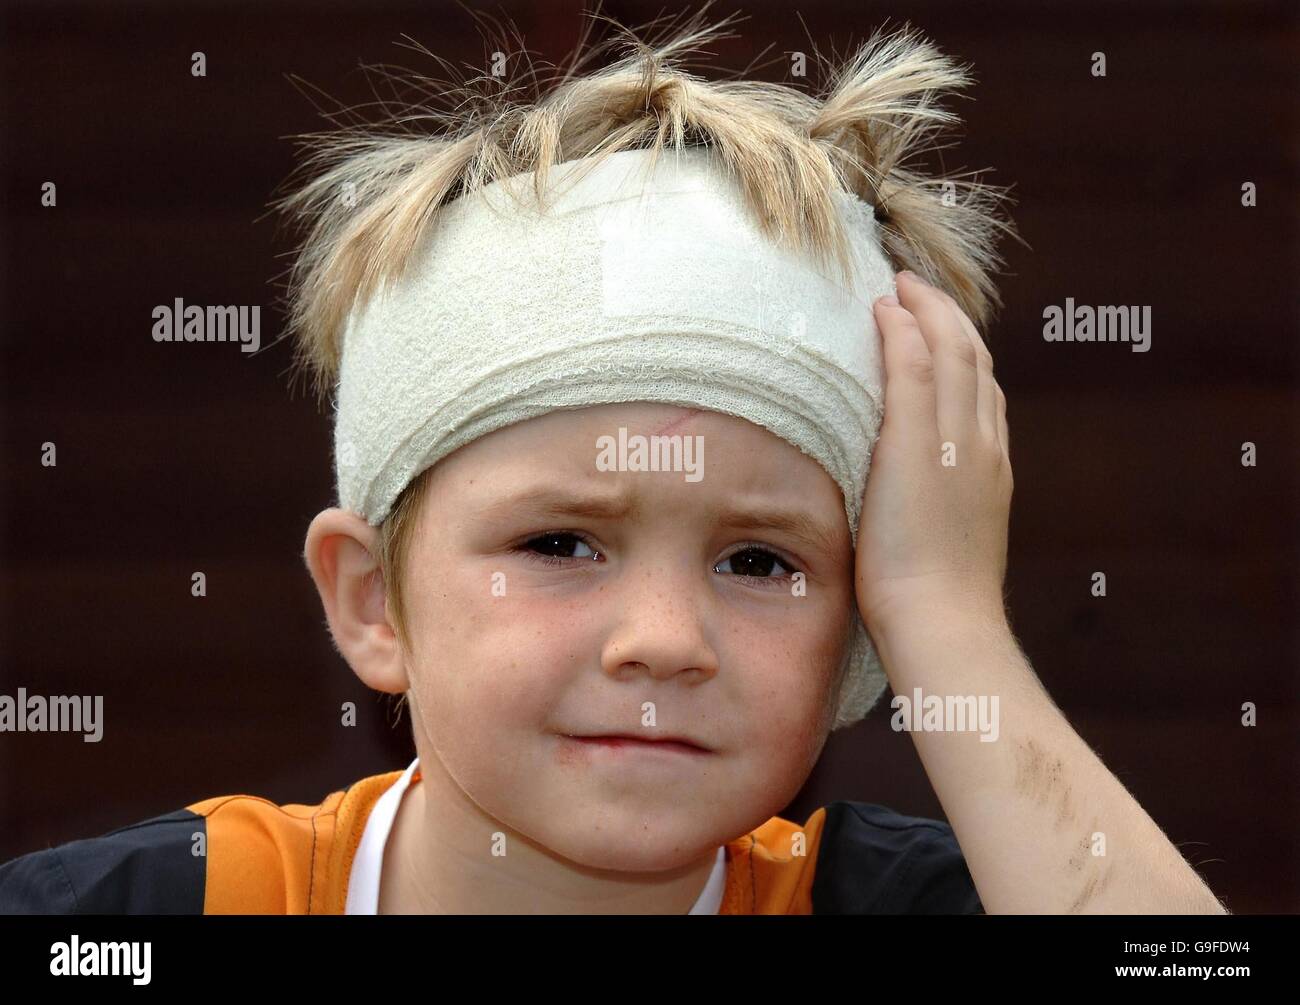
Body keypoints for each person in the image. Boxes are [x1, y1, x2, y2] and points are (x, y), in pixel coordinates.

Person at [0, 9, 1226, 915]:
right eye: (559, 543)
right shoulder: (131, 921)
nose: (663, 639)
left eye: (759, 560)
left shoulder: (895, 906)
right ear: (372, 600)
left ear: (857, 630)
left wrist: (948, 619)